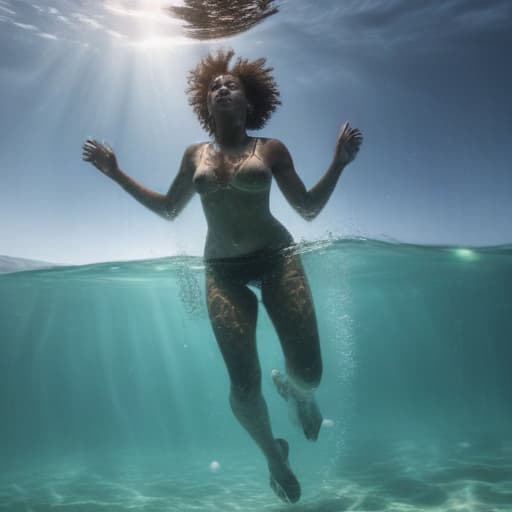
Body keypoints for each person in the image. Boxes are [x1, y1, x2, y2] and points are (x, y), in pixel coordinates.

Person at [82, 49, 362, 503]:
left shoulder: (270, 149)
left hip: (277, 258)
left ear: (249, 102)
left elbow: (308, 208)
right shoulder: (195, 154)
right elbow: (170, 209)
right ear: (206, 105)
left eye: (231, 85)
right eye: (214, 87)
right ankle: (274, 456)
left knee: (310, 371)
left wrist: (339, 163)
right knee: (244, 385)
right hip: (223, 271)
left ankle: (300, 397)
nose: (221, 87)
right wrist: (115, 172)